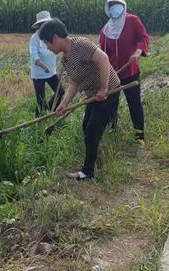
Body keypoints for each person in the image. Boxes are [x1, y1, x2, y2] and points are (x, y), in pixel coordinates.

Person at [39, 18, 120, 180]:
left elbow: (103, 59)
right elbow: (74, 83)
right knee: (87, 127)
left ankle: (87, 172)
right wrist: (63, 105)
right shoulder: (65, 59)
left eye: (47, 43)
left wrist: (104, 88)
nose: (47, 47)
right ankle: (96, 157)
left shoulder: (80, 45)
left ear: (55, 38)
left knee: (91, 130)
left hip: (109, 91)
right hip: (93, 95)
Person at [99, 0, 149, 143]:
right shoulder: (105, 30)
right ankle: (112, 133)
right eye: (112, 5)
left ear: (123, 5)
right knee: (111, 105)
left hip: (131, 71)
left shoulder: (132, 20)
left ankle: (139, 136)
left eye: (118, 4)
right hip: (113, 74)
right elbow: (103, 55)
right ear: (108, 9)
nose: (115, 8)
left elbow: (143, 37)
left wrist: (137, 52)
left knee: (134, 103)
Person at [29, 10, 65, 116]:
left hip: (51, 72)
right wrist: (43, 66)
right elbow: (34, 56)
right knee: (41, 99)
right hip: (39, 74)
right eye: (43, 24)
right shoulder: (34, 39)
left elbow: (61, 46)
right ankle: (38, 120)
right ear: (39, 25)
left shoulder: (53, 36)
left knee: (60, 91)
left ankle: (51, 110)